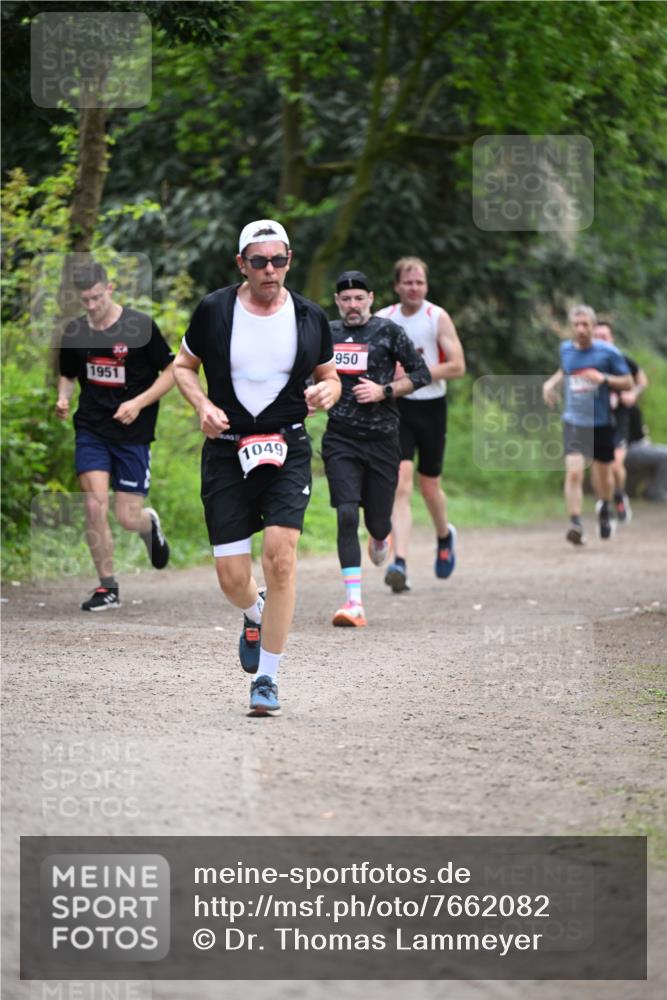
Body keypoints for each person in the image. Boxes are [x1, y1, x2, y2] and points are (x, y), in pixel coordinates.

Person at [173, 220, 340, 716]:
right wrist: (202, 406)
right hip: (226, 449)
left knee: (281, 558)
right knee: (230, 576)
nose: (271, 271)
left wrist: (327, 392)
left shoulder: (310, 317)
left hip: (287, 447)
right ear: (241, 263)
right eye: (260, 262)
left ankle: (266, 679)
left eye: (279, 261)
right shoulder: (214, 310)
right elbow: (183, 367)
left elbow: (329, 378)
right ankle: (255, 613)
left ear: (290, 259)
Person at [56, 261, 174, 611]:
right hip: (92, 427)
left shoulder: (139, 327)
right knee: (93, 505)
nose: (91, 306)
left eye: (96, 298)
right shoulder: (76, 332)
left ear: (110, 288)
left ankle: (147, 524)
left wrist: (138, 403)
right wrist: (63, 397)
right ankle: (107, 587)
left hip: (132, 433)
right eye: (84, 300)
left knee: (126, 517)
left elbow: (172, 371)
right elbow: (67, 374)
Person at [322, 269, 431, 626]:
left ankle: (381, 537)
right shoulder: (328, 333)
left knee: (378, 522)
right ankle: (354, 602)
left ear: (371, 298)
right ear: (338, 302)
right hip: (340, 437)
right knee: (346, 514)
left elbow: (421, 374)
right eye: (345, 299)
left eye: (359, 298)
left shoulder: (388, 332)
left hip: (383, 439)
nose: (352, 305)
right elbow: (311, 374)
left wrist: (383, 391)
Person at [375, 256, 465, 592]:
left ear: (426, 286)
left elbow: (457, 366)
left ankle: (444, 535)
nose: (414, 288)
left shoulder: (436, 317)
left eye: (420, 283)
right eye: (408, 282)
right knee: (401, 483)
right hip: (398, 408)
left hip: (431, 408)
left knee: (430, 487)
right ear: (397, 285)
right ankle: (399, 562)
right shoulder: (384, 319)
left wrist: (416, 375)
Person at [542, 304, 633, 544]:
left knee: (603, 477)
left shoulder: (608, 353)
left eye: (586, 325)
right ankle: (576, 523)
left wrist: (603, 378)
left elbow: (628, 382)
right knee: (573, 473)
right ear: (571, 327)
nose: (581, 329)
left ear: (593, 326)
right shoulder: (566, 349)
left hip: (601, 422)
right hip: (574, 421)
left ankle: (605, 507)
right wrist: (550, 384)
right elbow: (565, 370)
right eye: (577, 325)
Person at [593, 320, 648, 522]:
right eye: (597, 336)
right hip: (595, 420)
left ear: (612, 338)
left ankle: (619, 495)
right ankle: (603, 503)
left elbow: (642, 381)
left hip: (620, 420)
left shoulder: (622, 360)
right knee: (598, 466)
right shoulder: (586, 362)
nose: (601, 340)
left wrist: (633, 393)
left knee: (615, 464)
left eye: (604, 336)